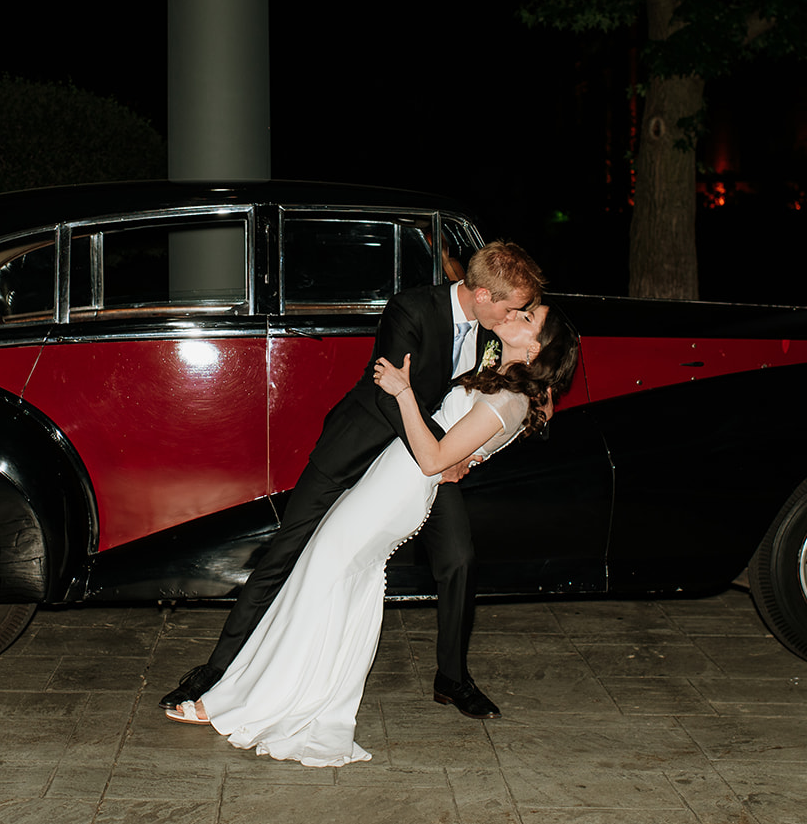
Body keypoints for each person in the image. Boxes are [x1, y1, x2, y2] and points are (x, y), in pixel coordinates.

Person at [165, 303, 580, 767]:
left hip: (402, 486)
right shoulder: (505, 380)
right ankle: (274, 694)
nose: (516, 313)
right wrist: (469, 453)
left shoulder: (510, 399)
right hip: (392, 478)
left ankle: (253, 702)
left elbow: (433, 458)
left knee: (322, 576)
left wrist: (403, 394)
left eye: (528, 318)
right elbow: (467, 441)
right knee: (332, 583)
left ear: (535, 346)